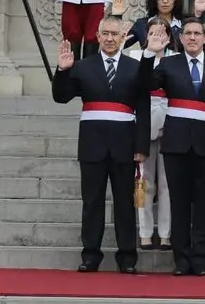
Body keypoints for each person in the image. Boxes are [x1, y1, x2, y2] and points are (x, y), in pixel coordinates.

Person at [51, 15, 150, 274]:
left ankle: (127, 258)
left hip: (125, 146)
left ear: (122, 37)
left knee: (124, 205)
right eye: (104, 33)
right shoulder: (82, 66)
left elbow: (143, 107)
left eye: (114, 34)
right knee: (92, 202)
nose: (109, 38)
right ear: (97, 34)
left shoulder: (135, 67)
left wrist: (141, 147)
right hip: (92, 145)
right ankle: (91, 256)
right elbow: (61, 97)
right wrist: (63, 71)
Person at [143, 18, 205, 276]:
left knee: (202, 205)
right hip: (176, 144)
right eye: (188, 33)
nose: (193, 37)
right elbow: (146, 83)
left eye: (197, 33)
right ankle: (181, 260)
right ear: (181, 38)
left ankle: (199, 259)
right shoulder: (168, 63)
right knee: (180, 204)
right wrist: (150, 53)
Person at [126, 17, 176, 251]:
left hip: (170, 120)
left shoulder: (176, 58)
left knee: (167, 183)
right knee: (144, 182)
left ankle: (165, 234)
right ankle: (145, 233)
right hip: (143, 120)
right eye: (153, 31)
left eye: (162, 31)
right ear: (145, 35)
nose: (157, 35)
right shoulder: (135, 57)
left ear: (168, 35)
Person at [116, 0, 184, 52]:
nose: (165, 1)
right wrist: (117, 16)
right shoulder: (142, 24)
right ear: (154, 0)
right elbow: (118, 45)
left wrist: (196, 14)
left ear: (175, 0)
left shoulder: (184, 24)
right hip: (148, 62)